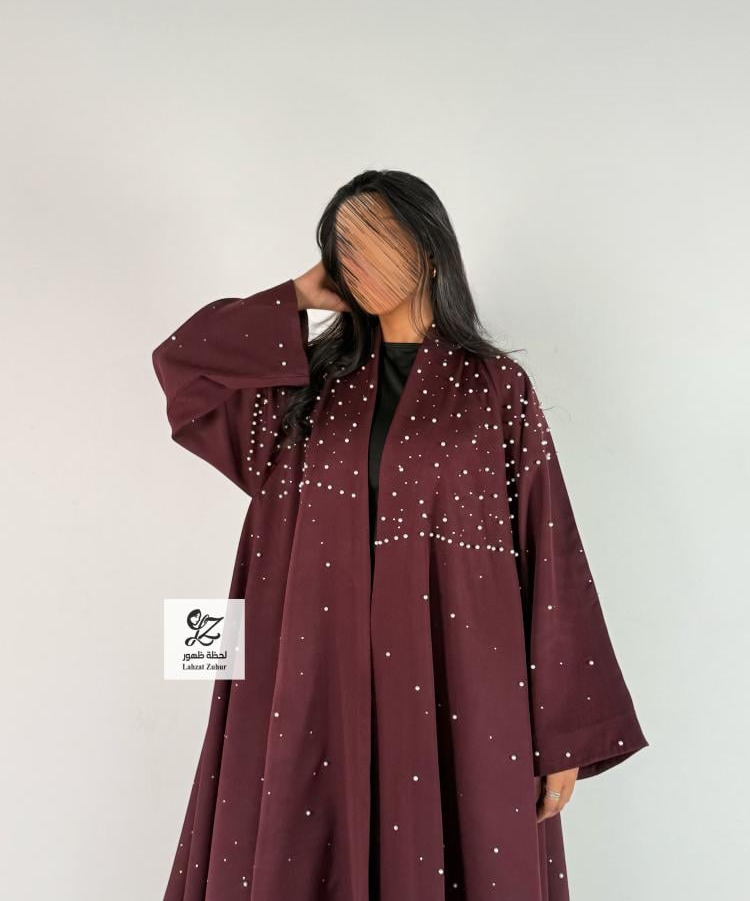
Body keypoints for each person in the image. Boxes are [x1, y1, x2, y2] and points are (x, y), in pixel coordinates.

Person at [152, 169, 648, 901]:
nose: (358, 257)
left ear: (431, 249)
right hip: (311, 679)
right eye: (343, 244)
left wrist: (562, 734)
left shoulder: (494, 389)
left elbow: (550, 551)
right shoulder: (304, 389)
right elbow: (183, 367)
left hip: (462, 690)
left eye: (376, 236)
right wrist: (297, 296)